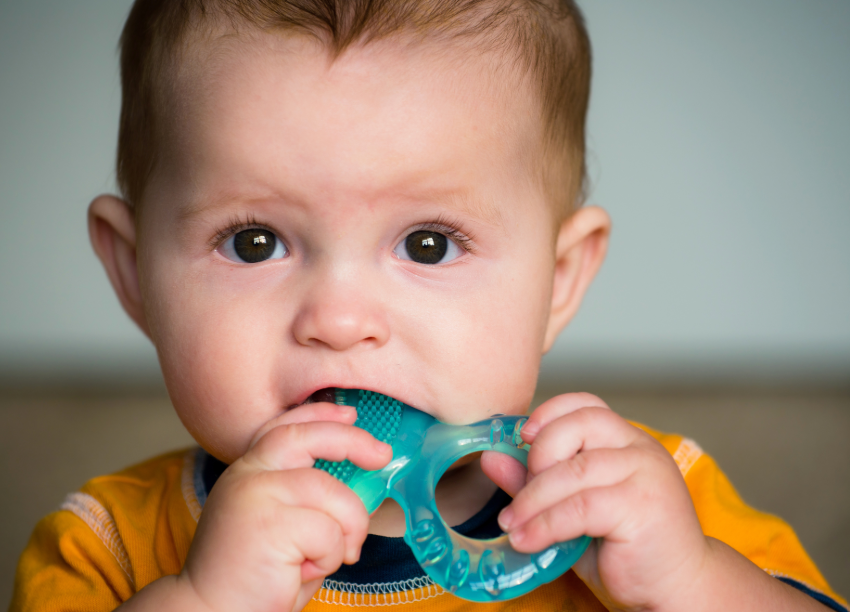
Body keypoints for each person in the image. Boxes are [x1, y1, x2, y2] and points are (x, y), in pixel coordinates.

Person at [10, 1, 847, 611]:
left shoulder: (643, 503)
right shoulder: (110, 545)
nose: (340, 321)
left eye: (428, 244)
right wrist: (204, 598)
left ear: (558, 281)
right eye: (255, 242)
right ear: (133, 275)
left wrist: (692, 581)